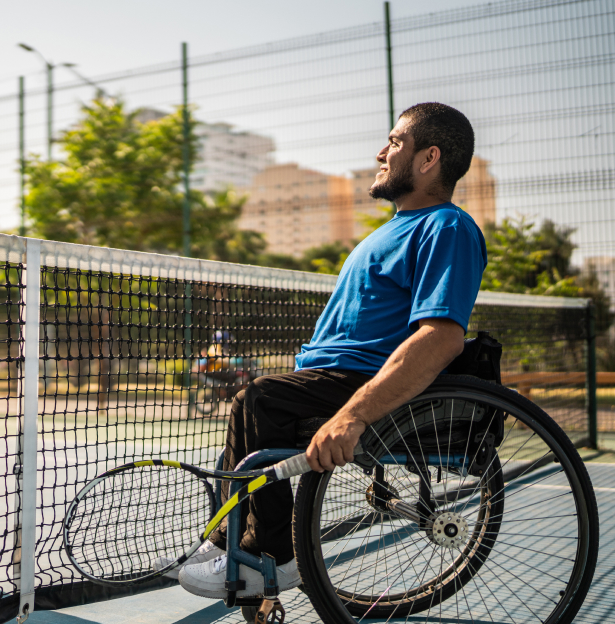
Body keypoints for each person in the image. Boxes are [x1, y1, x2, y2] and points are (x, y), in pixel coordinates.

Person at [175, 102, 487, 598]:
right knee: (254, 408)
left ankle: (269, 556)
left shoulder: (446, 227)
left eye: (394, 142)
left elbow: (441, 336)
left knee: (258, 400)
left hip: (360, 381)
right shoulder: (388, 231)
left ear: (429, 159)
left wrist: (354, 414)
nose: (381, 152)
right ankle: (227, 542)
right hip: (332, 377)